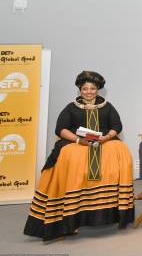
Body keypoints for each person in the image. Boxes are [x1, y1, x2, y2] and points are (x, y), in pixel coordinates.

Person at [23, 71, 134, 241]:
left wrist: (107, 137)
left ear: (98, 90)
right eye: (85, 89)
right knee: (71, 156)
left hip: (104, 141)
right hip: (77, 142)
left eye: (92, 88)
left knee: (121, 150)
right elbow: (61, 129)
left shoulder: (108, 106)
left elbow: (116, 125)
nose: (88, 92)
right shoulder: (71, 107)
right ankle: (70, 217)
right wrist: (78, 140)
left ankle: (113, 210)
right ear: (80, 90)